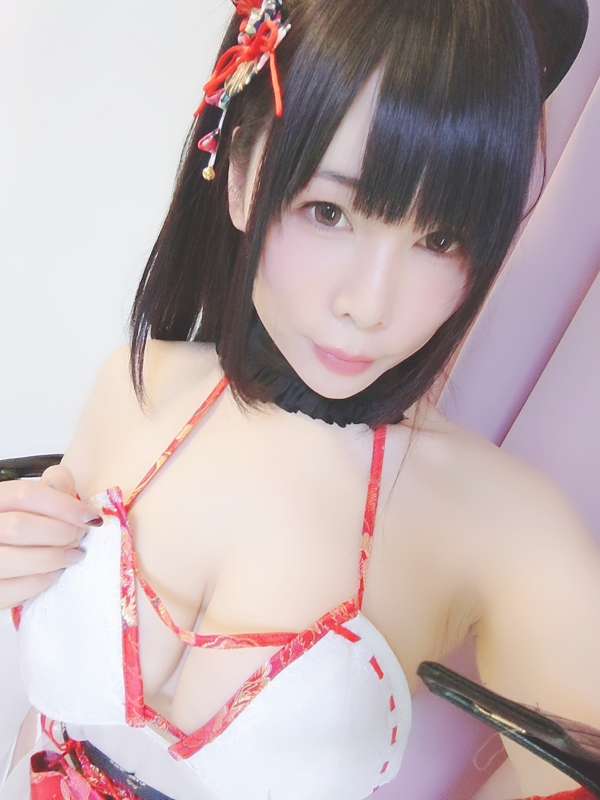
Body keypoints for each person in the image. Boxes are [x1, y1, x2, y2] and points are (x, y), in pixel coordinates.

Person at [0, 0, 595, 798]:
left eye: (440, 239)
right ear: (243, 177)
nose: (369, 305)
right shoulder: (138, 384)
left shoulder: (506, 525)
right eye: (329, 212)